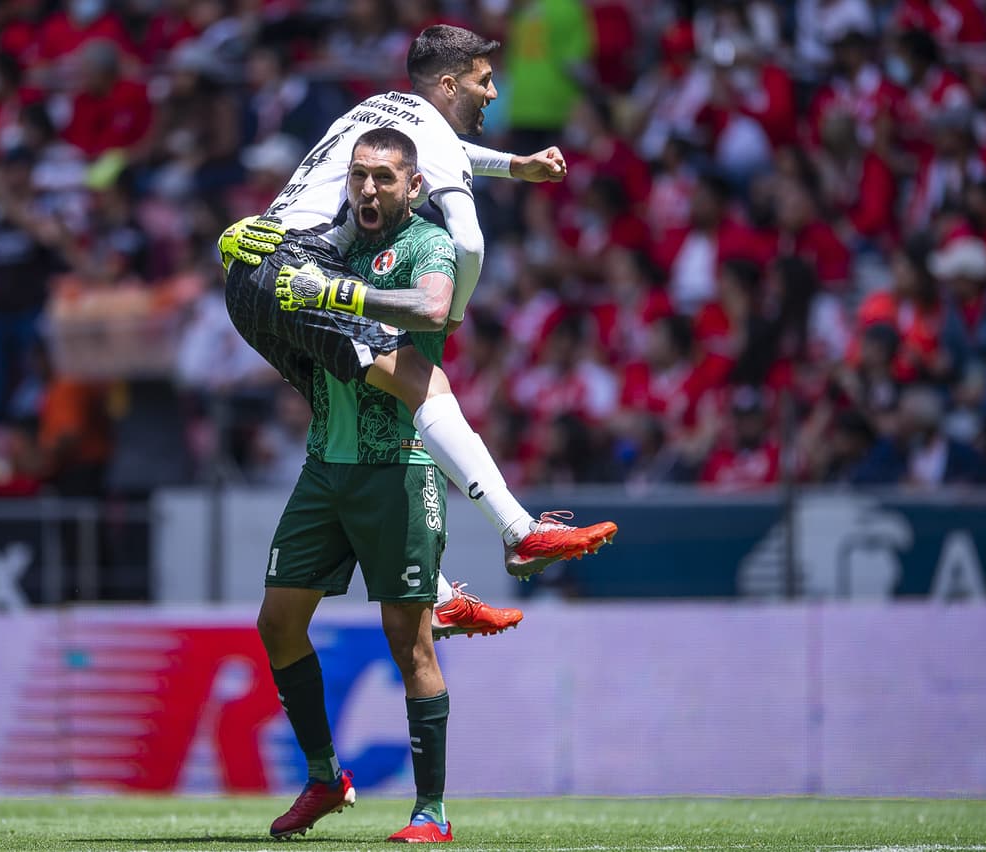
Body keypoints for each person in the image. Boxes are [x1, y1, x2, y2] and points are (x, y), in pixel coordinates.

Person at [218, 25, 618, 593]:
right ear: (450, 85)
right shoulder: (424, 134)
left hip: (249, 274)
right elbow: (470, 242)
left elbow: (439, 153)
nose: (495, 93)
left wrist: (513, 165)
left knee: (365, 416)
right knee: (425, 387)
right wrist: (453, 311)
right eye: (485, 81)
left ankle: (435, 594)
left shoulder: (377, 112)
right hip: (297, 270)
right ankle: (519, 531)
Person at [261, 129, 470, 844]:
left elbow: (434, 310)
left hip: (397, 467)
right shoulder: (324, 241)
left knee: (408, 643)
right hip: (325, 465)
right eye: (359, 176)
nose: (370, 189)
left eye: (385, 177)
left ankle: (430, 812)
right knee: (278, 624)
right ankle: (325, 778)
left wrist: (340, 291)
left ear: (413, 186)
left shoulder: (427, 244)